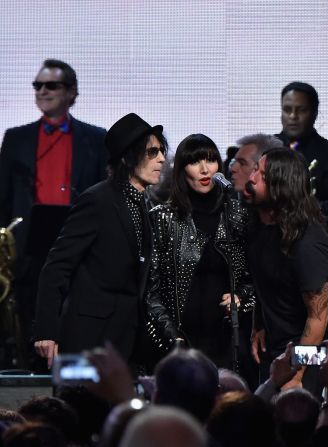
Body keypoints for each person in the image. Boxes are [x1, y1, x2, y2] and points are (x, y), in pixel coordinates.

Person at [33, 113, 166, 367]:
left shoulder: (144, 204)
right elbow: (57, 265)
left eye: (161, 151)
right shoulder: (98, 200)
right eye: (152, 152)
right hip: (89, 336)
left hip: (127, 339)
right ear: (128, 157)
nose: (161, 159)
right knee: (80, 406)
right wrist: (46, 331)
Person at [0, 59, 107, 367]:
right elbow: (3, 198)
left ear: (71, 92)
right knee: (32, 324)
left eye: (51, 85)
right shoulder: (16, 138)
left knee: (76, 324)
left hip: (79, 247)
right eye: (37, 85)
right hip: (29, 250)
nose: (42, 91)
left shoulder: (96, 139)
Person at [145, 133, 256, 373]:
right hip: (178, 342)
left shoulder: (237, 216)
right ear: (182, 170)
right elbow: (149, 291)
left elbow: (255, 280)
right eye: (195, 162)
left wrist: (241, 299)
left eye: (211, 160)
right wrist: (172, 338)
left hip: (228, 342)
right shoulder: (162, 218)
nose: (205, 169)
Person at [244, 148, 328, 390]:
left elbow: (319, 318)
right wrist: (260, 324)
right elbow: (263, 281)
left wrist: (297, 373)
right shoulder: (259, 227)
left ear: (280, 186)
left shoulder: (307, 241)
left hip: (310, 355)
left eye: (261, 174)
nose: (252, 178)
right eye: (255, 169)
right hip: (276, 350)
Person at [276, 82, 328, 205]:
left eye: (301, 110)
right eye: (287, 110)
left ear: (315, 113)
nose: (293, 116)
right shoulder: (263, 149)